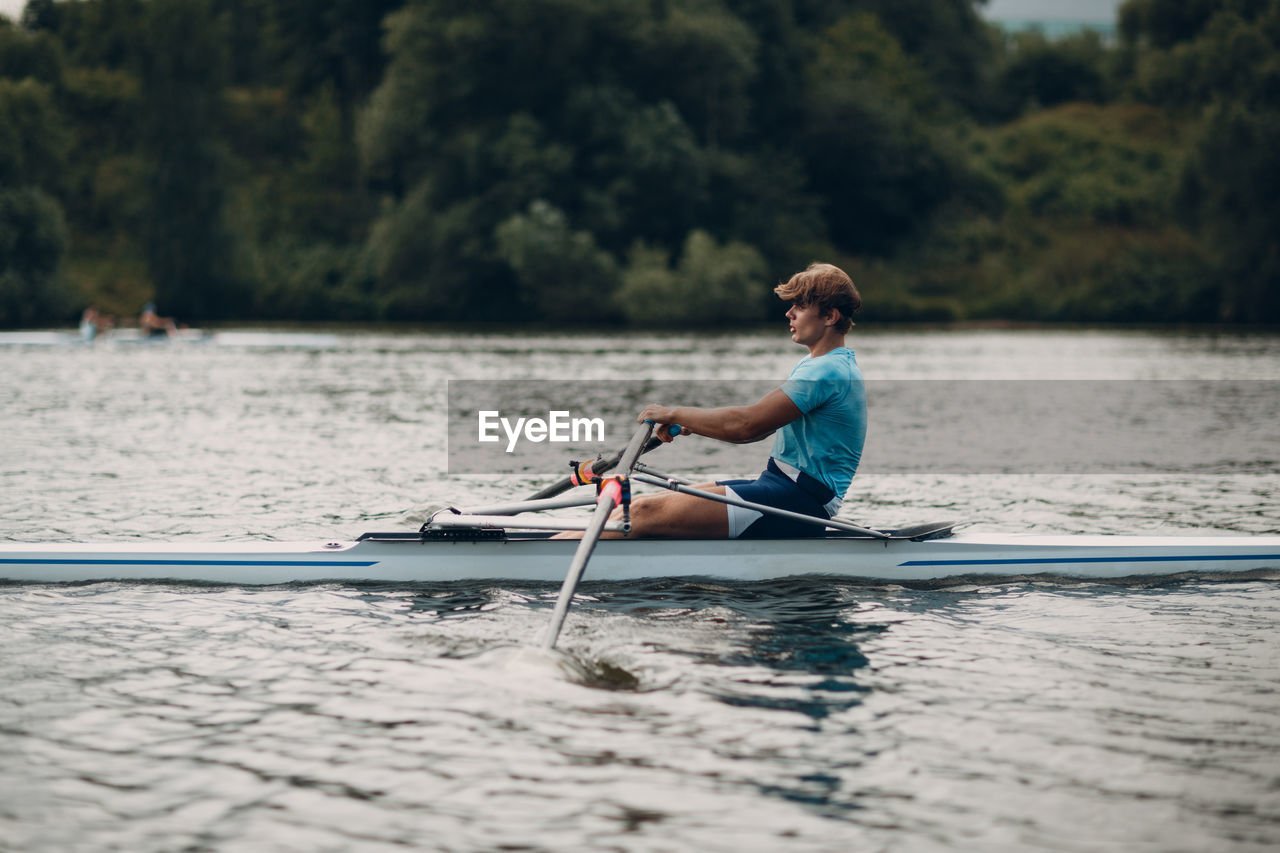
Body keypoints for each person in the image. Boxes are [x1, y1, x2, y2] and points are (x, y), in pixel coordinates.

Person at [607, 262, 866, 539]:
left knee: (639, 513)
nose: (789, 313)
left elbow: (746, 426)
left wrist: (674, 413)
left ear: (830, 316)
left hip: (797, 502)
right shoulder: (821, 364)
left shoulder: (825, 371)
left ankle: (560, 567)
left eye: (800, 306)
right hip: (780, 488)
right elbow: (761, 428)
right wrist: (694, 423)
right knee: (629, 508)